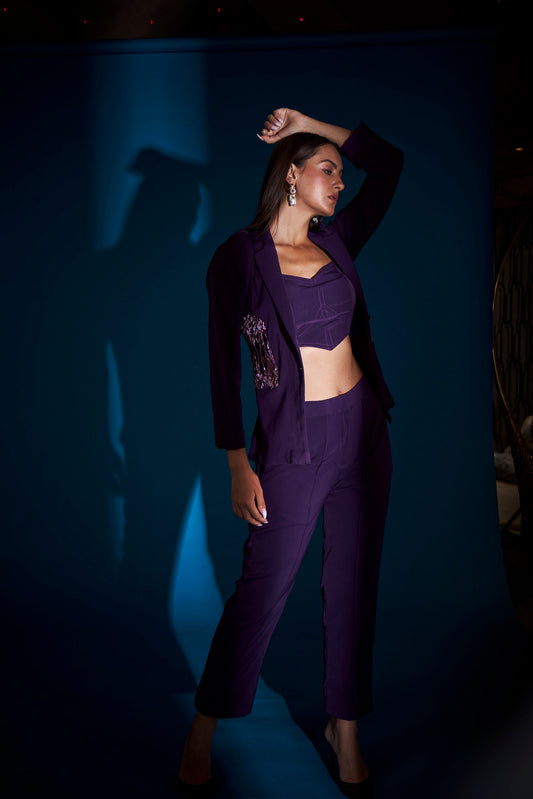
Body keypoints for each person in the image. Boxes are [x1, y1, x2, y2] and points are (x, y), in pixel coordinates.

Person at [178, 107, 403, 797]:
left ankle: (345, 730)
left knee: (354, 584)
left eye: (338, 171)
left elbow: (388, 165)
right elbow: (221, 366)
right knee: (261, 589)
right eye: (326, 170)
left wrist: (310, 123)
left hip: (362, 431)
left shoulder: (338, 241)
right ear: (291, 178)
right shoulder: (238, 258)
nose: (339, 180)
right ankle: (204, 728)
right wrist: (235, 460)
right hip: (293, 443)